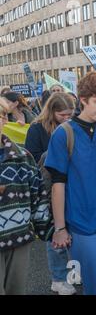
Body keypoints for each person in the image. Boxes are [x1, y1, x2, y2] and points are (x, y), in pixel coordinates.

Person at [45, 72, 96, 295]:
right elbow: (57, 184)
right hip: (80, 219)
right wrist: (60, 228)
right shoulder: (64, 134)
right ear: (83, 100)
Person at [25, 93, 76, 294]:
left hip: (71, 186)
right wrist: (54, 155)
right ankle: (58, 277)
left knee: (73, 231)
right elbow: (32, 157)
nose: (67, 118)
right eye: (63, 115)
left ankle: (72, 273)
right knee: (54, 231)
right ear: (52, 112)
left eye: (70, 114)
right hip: (48, 188)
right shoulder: (37, 128)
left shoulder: (74, 126)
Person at [0, 97, 52, 295]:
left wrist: (49, 230)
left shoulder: (22, 157)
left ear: (5, 120)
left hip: (19, 238)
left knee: (16, 290)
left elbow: (37, 197)